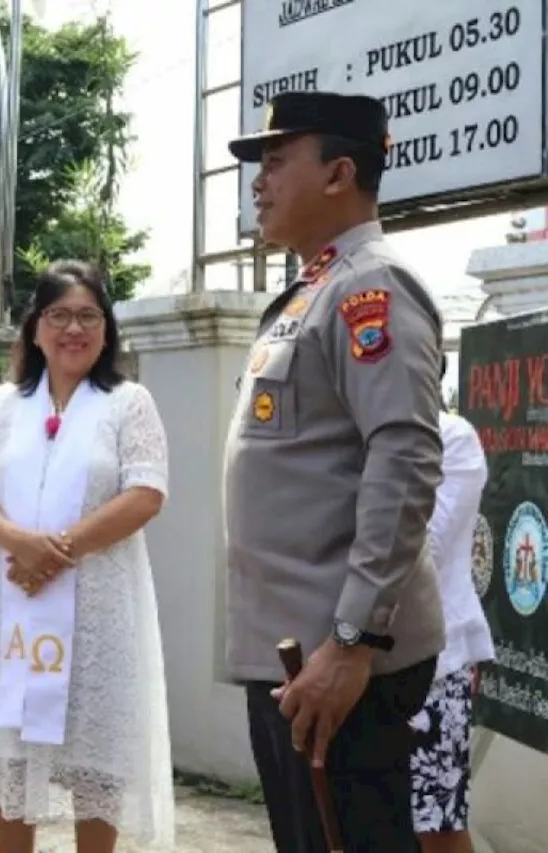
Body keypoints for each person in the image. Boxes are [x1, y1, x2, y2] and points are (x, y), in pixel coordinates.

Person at [224, 90, 446, 852]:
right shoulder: (314, 289)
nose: (259, 181)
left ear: (339, 172)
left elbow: (408, 456)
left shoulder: (368, 288)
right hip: (296, 655)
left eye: (276, 161)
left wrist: (353, 641)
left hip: (341, 660)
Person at [0, 260, 175, 853]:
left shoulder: (128, 403)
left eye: (88, 315)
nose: (73, 329)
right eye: (58, 315)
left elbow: (146, 493)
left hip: (97, 602)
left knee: (96, 760)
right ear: (35, 329)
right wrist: (21, 544)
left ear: (106, 330)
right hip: (11, 599)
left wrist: (58, 551)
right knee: (12, 754)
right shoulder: (4, 406)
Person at [410, 360, 494, 853]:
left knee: (435, 820)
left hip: (435, 662)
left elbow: (426, 549)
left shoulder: (452, 437)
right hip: (356, 655)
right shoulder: (352, 439)